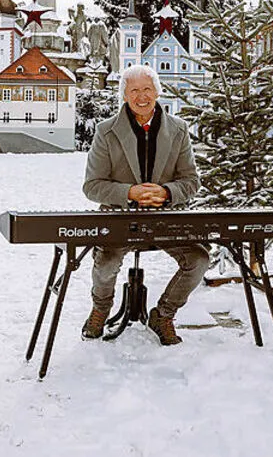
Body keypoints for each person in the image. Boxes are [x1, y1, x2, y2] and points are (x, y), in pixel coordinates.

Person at [81, 64, 208, 346]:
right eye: (134, 90)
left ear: (157, 92)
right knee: (105, 266)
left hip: (167, 218)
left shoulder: (178, 130)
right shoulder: (107, 132)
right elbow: (92, 186)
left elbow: (191, 181)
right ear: (124, 95)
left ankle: (163, 315)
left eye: (147, 89)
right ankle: (100, 310)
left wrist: (166, 192)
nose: (142, 96)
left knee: (199, 260)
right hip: (120, 218)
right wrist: (130, 192)